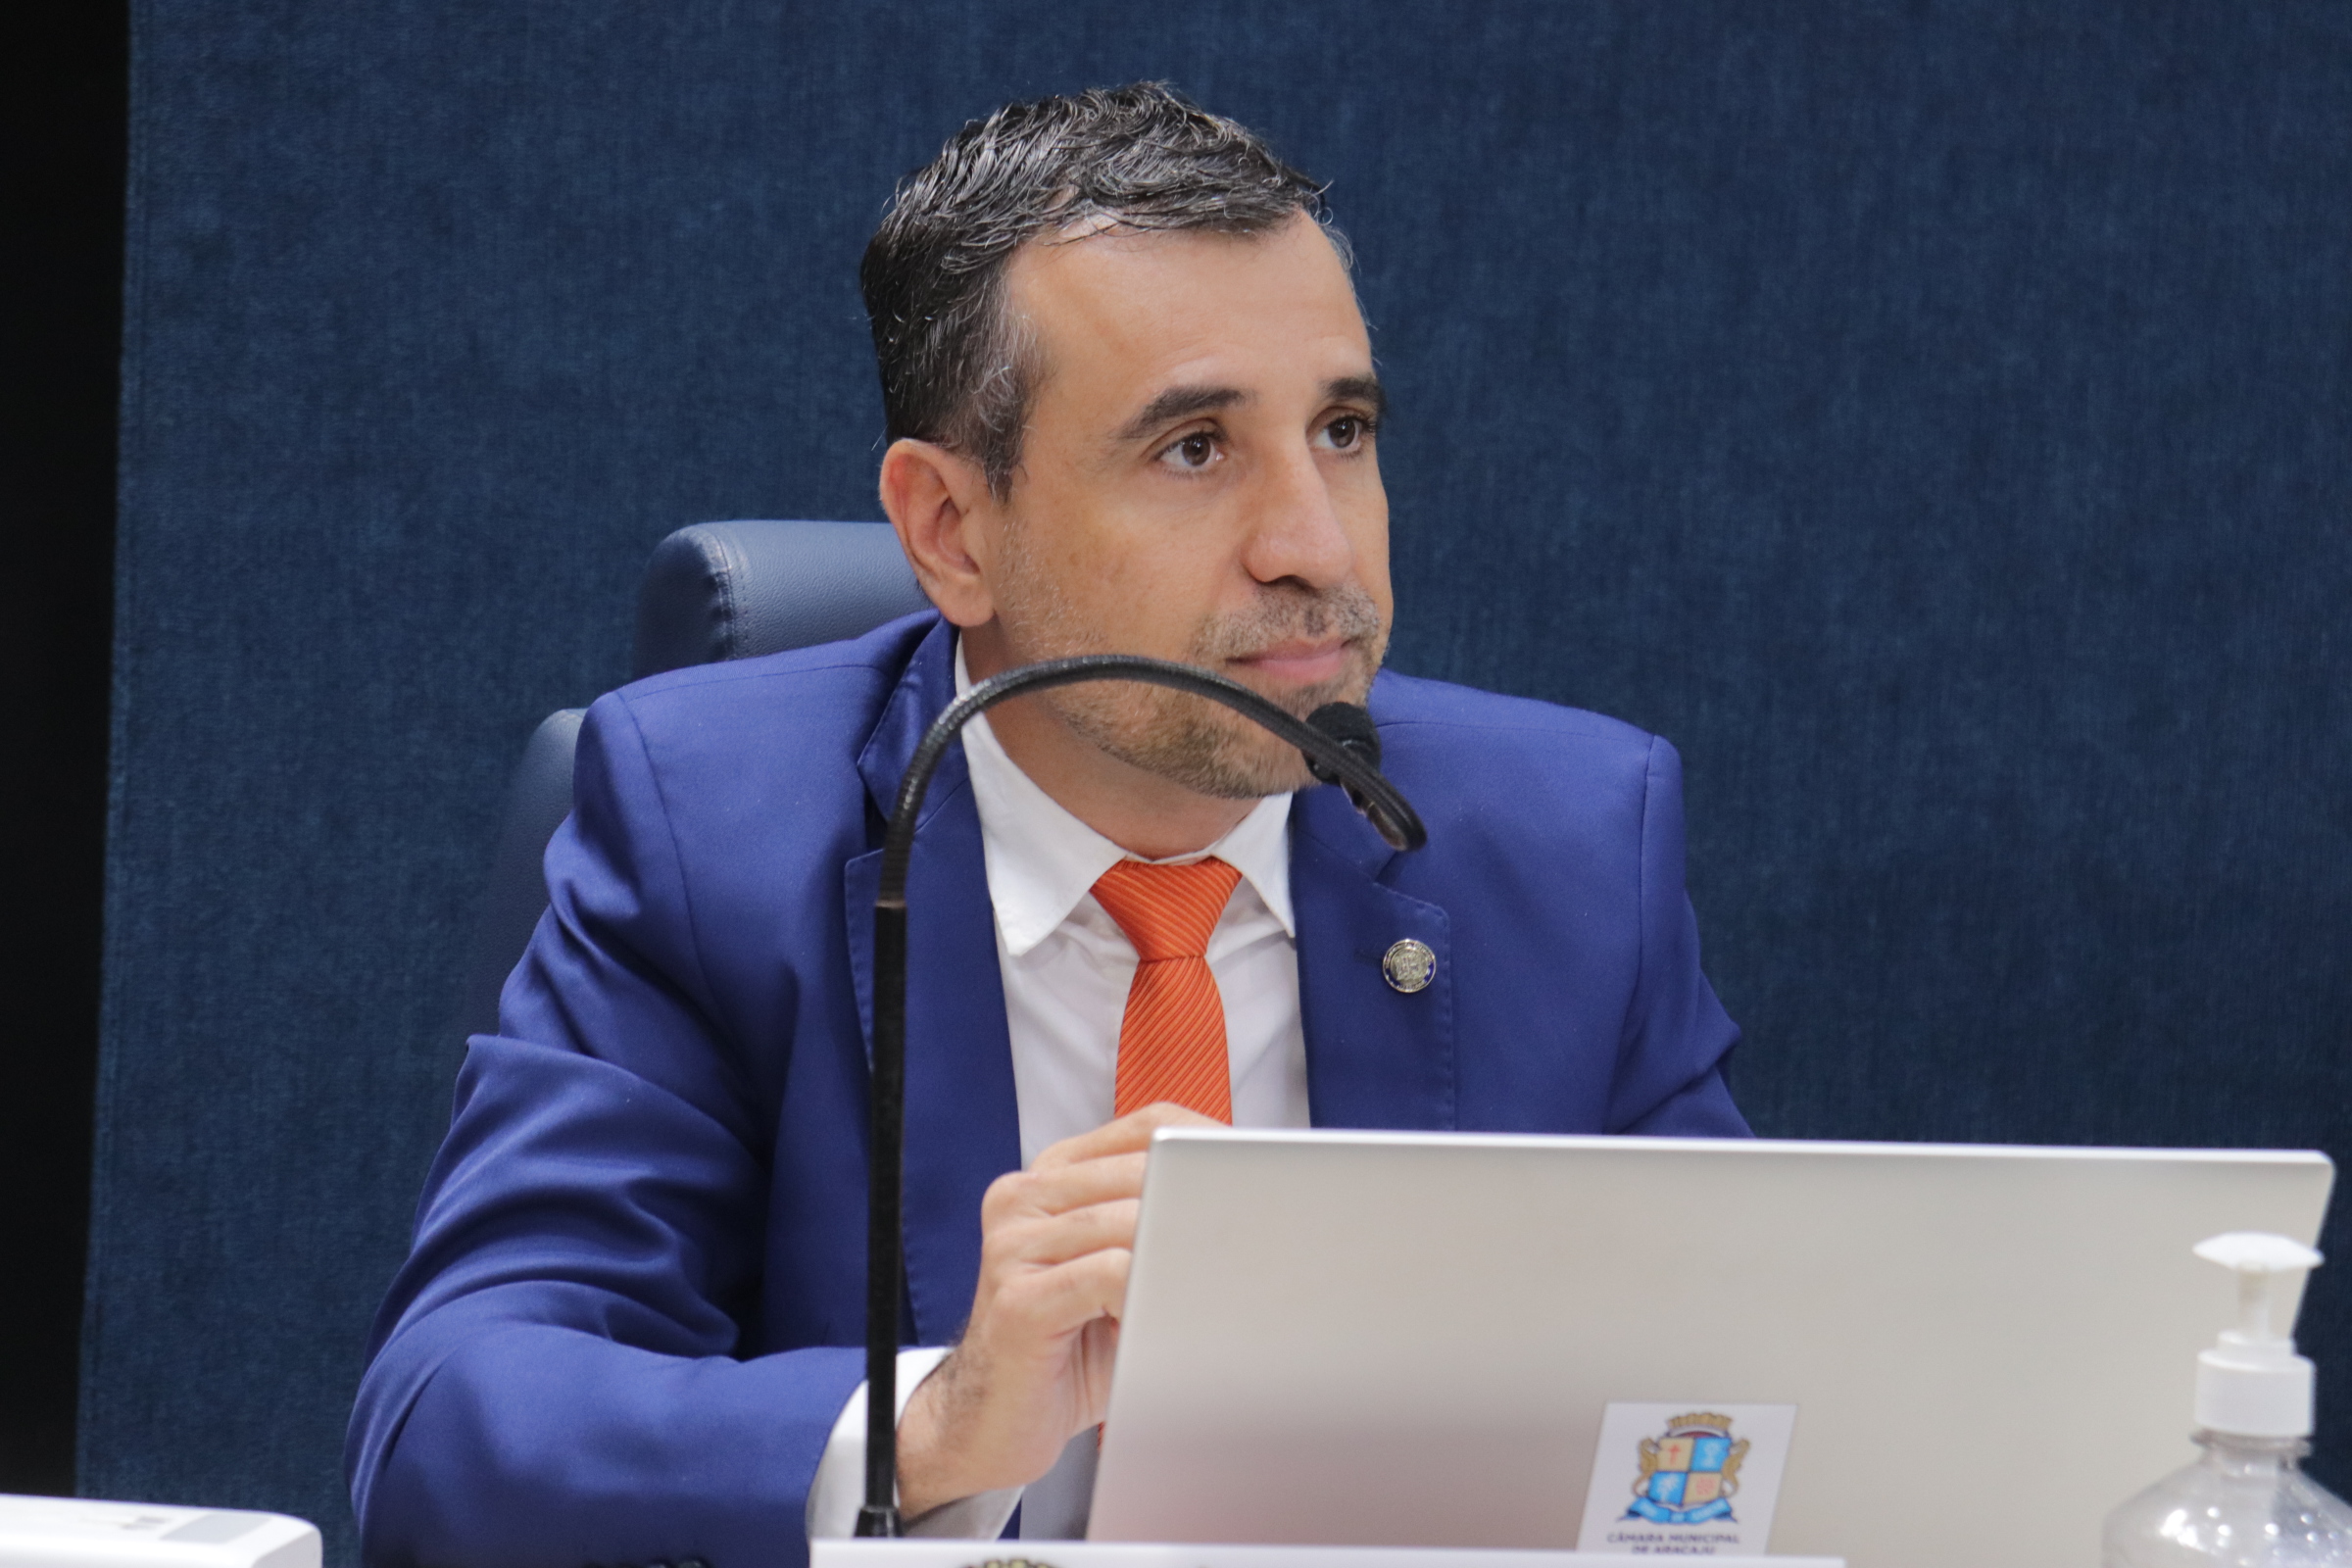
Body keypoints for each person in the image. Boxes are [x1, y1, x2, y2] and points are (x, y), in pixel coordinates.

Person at [347, 83, 1747, 1568]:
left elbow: (1747, 1392)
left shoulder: (1573, 839)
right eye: (1194, 448)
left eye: (1342, 430)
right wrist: (937, 1425)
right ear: (951, 531)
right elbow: (447, 1425)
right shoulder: (714, 832)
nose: (1316, 545)